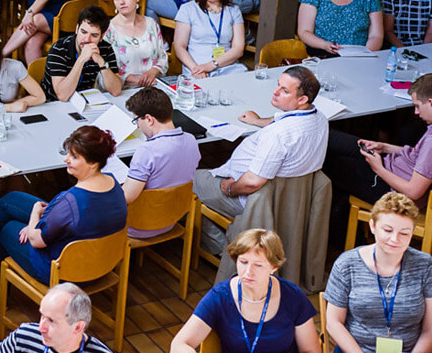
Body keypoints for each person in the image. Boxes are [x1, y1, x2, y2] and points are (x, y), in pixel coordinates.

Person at [0, 126, 127, 304]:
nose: (66, 159)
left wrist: (33, 221)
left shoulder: (70, 201)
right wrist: (35, 224)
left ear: (93, 163)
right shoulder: (113, 183)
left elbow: (36, 240)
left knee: (7, 228)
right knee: (13, 199)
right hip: (102, 263)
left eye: (74, 157)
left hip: (64, 271)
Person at [193, 66, 328, 255]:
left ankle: (223, 250)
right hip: (291, 202)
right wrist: (257, 121)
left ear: (302, 99)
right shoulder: (320, 119)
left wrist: (230, 189)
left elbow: (252, 182)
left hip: (254, 201)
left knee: (188, 180)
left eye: (284, 90)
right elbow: (287, 122)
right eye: (278, 85)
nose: (275, 92)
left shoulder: (278, 135)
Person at [170, 229, 321, 353]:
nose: (248, 272)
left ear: (274, 267)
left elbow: (310, 350)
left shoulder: (293, 296)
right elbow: (179, 344)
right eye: (243, 262)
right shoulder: (220, 297)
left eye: (258, 265)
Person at [325, 193, 432, 353]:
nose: (394, 239)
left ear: (413, 232)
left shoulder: (425, 265)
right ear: (373, 226)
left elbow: (430, 329)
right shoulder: (347, 264)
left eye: (404, 233)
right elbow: (333, 323)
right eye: (387, 230)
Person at [324, 74, 432, 209]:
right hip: (389, 166)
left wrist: (378, 168)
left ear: (430, 102)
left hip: (391, 190)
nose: (416, 112)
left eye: (417, 106)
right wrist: (384, 147)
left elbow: (413, 192)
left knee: (328, 162)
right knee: (330, 138)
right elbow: (417, 155)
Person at [123, 88, 200, 238]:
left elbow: (127, 197)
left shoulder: (147, 150)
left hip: (138, 225)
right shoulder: (191, 140)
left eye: (137, 120)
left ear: (149, 119)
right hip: (172, 219)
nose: (137, 126)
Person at [0, 283, 113, 353]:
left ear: (78, 327)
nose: (41, 328)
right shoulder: (24, 336)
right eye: (42, 315)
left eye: (52, 321)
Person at [174, 0, 247, 78]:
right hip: (196, 67)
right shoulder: (188, 9)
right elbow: (179, 47)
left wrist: (212, 65)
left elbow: (238, 49)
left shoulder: (234, 11)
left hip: (226, 66)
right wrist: (196, 69)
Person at [40, 5, 123, 102]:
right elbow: (62, 96)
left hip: (82, 101)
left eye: (94, 35)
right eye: (83, 32)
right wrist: (82, 59)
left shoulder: (105, 48)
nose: (87, 39)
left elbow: (116, 91)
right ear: (77, 29)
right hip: (52, 103)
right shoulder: (59, 49)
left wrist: (101, 62)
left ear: (101, 37)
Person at [103, 0, 168, 87]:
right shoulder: (108, 30)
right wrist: (136, 81)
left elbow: (163, 57)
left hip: (153, 85)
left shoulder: (151, 23)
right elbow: (104, 70)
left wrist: (153, 71)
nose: (121, 2)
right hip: (122, 89)